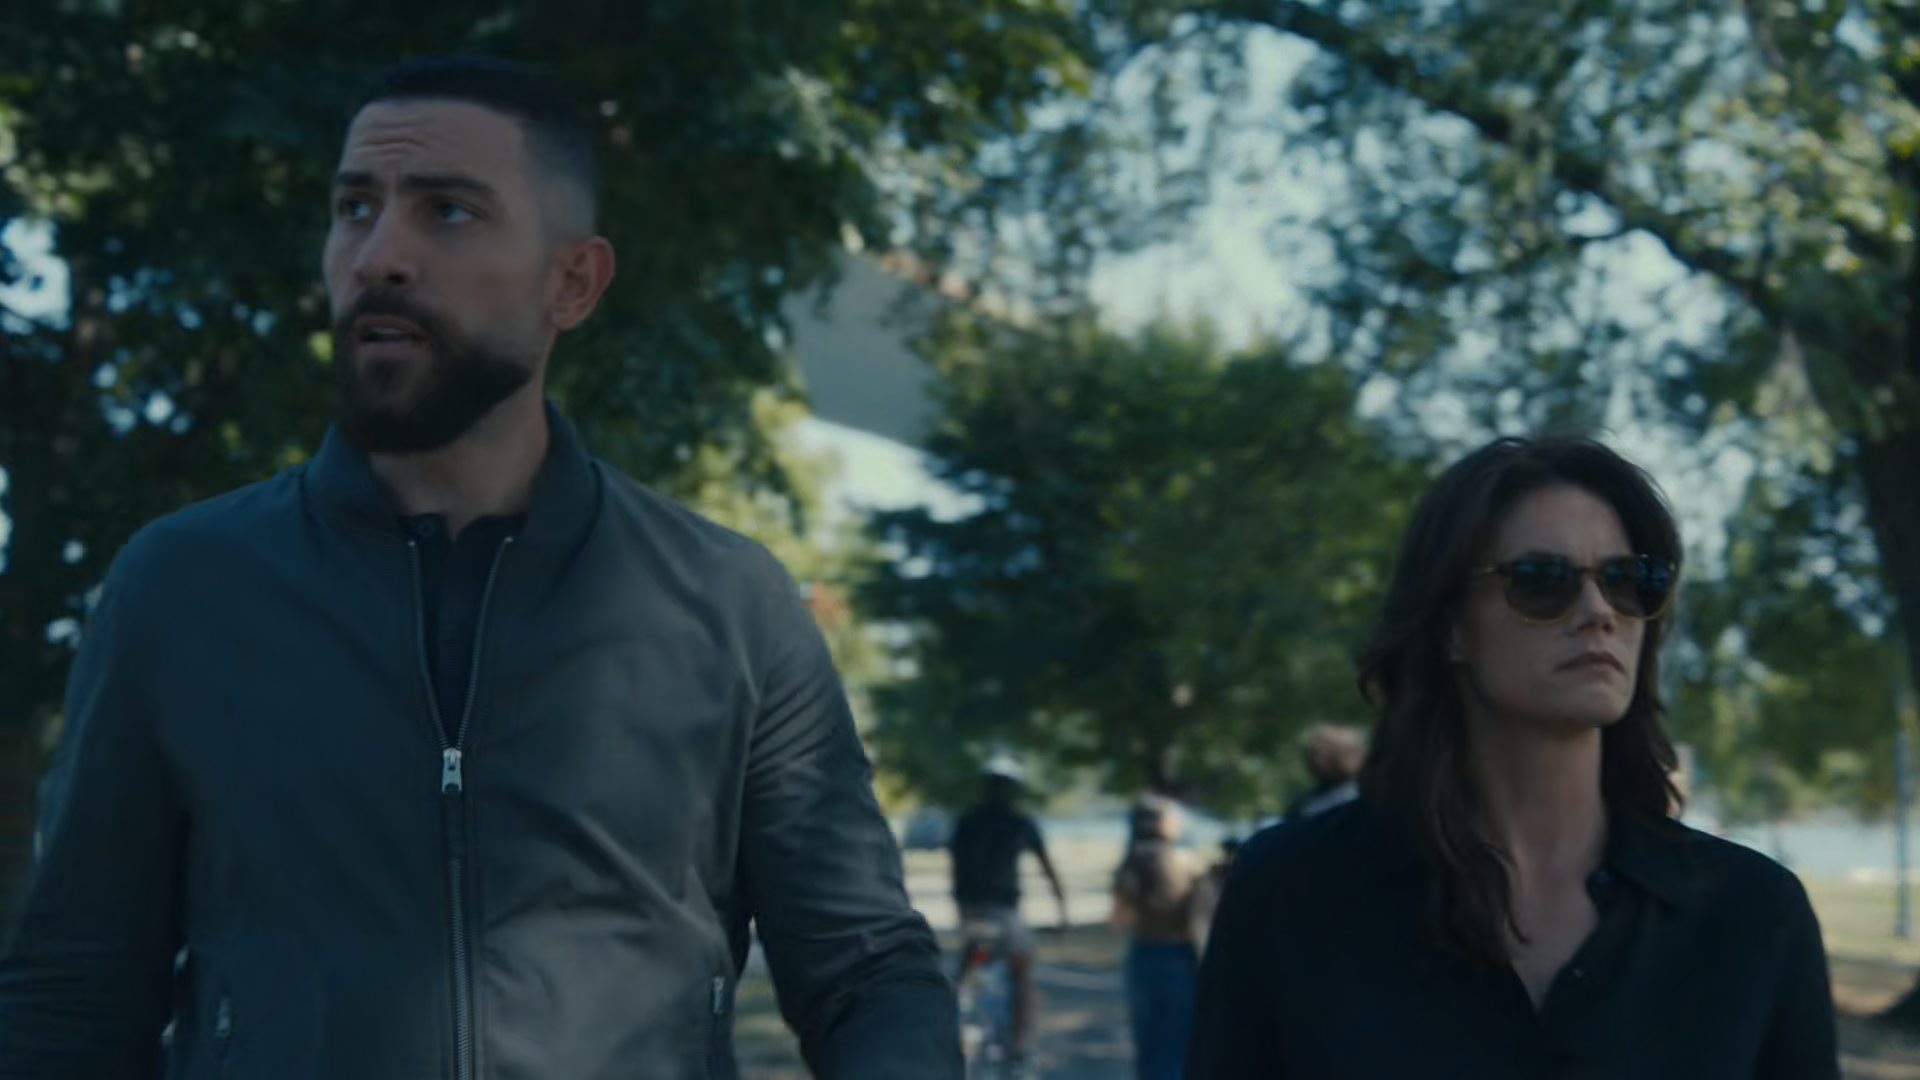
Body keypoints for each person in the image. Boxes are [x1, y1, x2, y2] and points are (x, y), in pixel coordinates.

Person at [0, 57, 958, 1079]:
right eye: (354, 208)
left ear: (572, 282)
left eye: (447, 212)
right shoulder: (182, 586)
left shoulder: (732, 603)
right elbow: (74, 994)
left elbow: (866, 971)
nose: (379, 255)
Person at [1188, 435, 1839, 1079]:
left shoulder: (1752, 915)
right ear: (1450, 626)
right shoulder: (1292, 893)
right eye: (1541, 580)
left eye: (1626, 581)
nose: (1598, 612)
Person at [948, 754, 1070, 1075]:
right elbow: (1047, 868)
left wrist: (961, 910)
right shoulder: (1020, 822)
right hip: (1003, 912)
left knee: (965, 970)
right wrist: (1061, 911)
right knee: (1023, 973)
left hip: (971, 911)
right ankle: (1019, 1050)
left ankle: (948, 1032)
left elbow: (956, 870)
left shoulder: (967, 821)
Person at [1110, 795, 1215, 1080]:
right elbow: (1205, 919)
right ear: (1163, 823)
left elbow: (1119, 921)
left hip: (1143, 954)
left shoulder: (1129, 865)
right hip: (1181, 957)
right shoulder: (1189, 862)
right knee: (1179, 1043)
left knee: (1148, 1043)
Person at [1281, 724, 1366, 821]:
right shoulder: (1309, 799)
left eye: (1322, 752)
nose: (1315, 760)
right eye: (1314, 753)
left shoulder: (1358, 795)